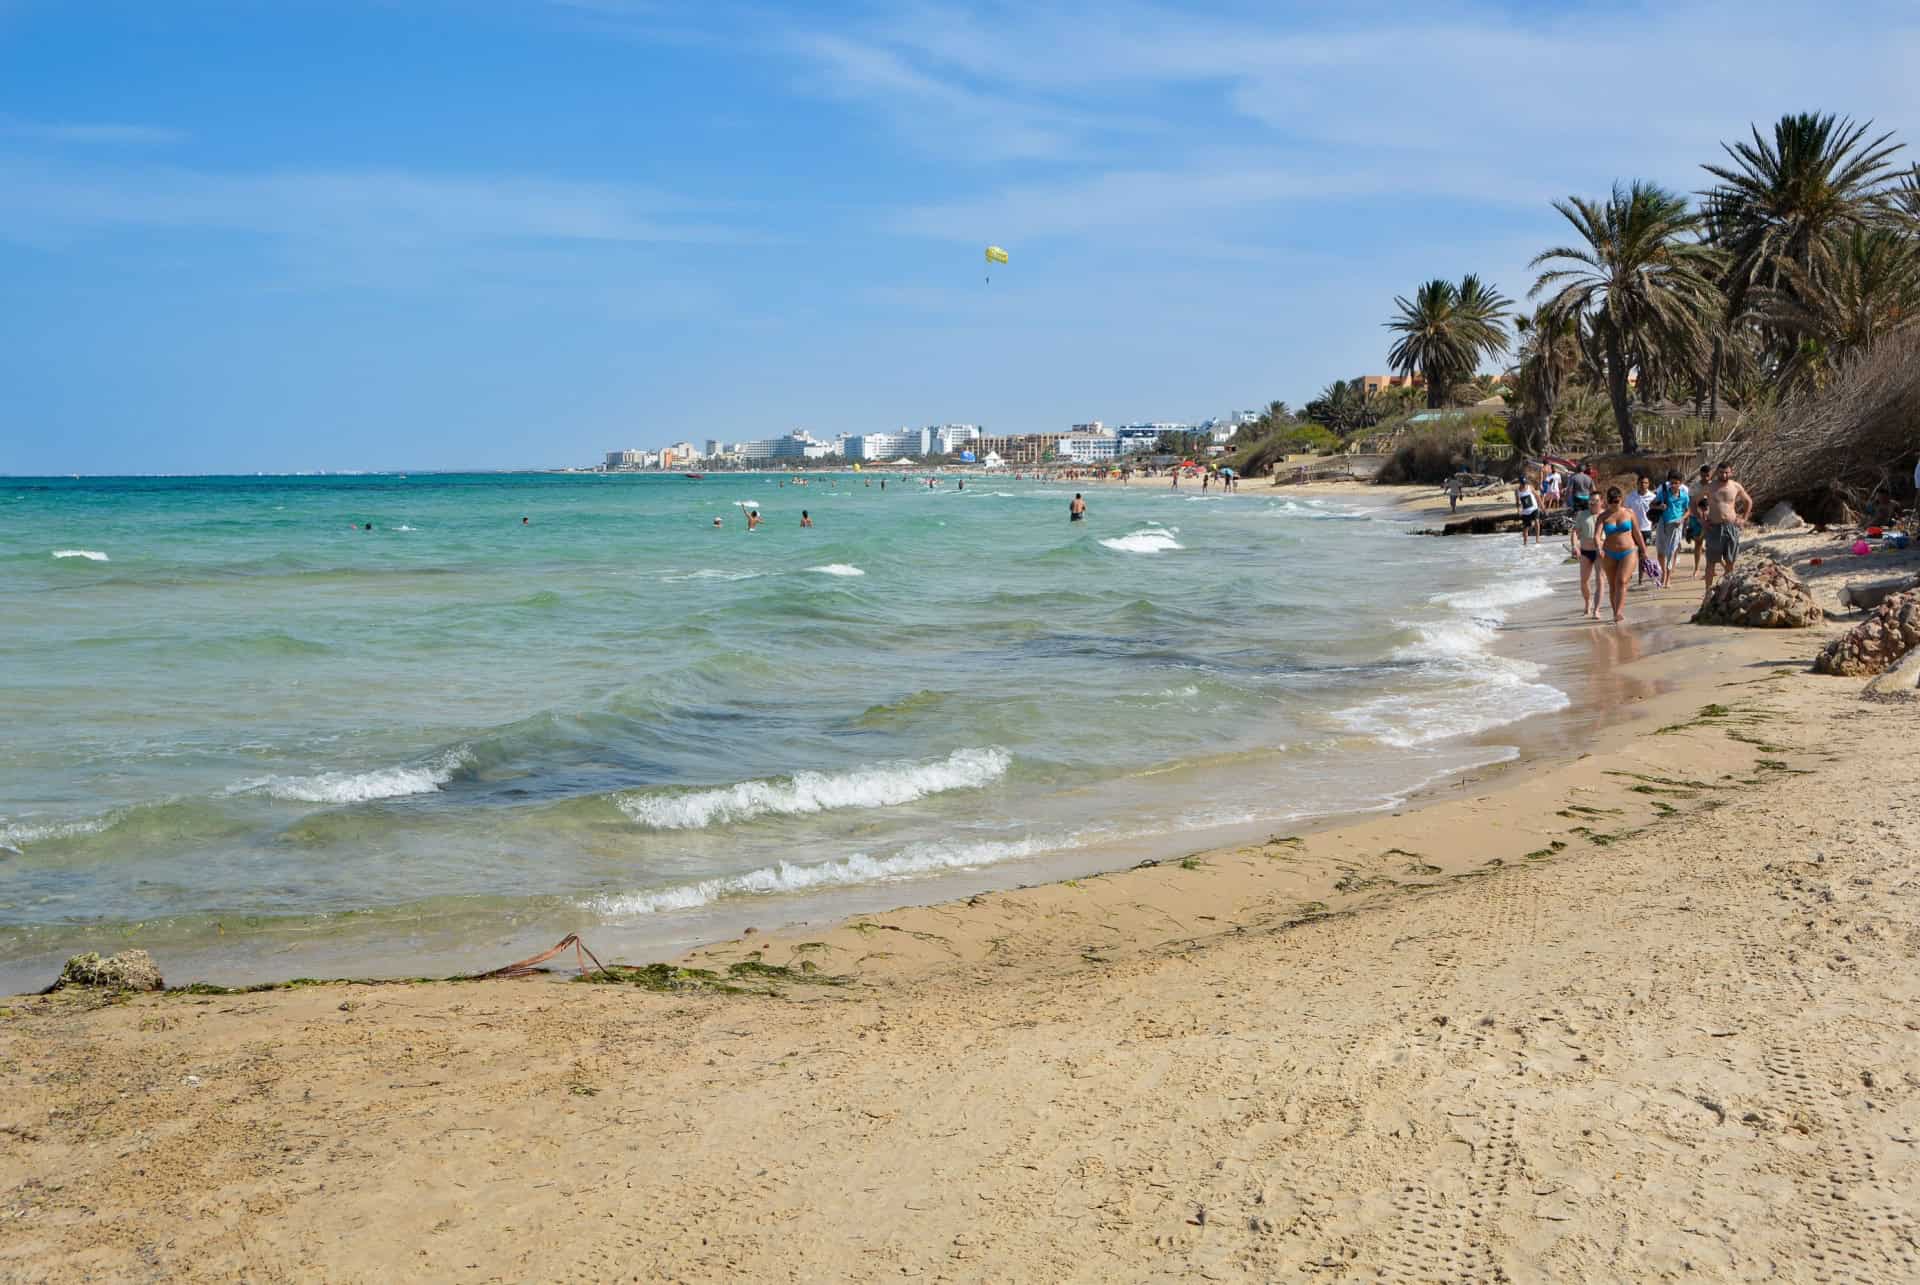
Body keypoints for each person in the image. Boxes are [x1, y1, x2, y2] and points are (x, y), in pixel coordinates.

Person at [1700, 463, 1754, 600]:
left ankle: (1726, 590)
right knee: (1711, 562)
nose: (1724, 475)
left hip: (1731, 527)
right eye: (1721, 472)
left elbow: (1748, 501)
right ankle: (1707, 592)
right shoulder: (1710, 487)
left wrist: (1744, 519)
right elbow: (1694, 502)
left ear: (1731, 472)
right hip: (1714, 527)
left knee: (1730, 562)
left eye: (1727, 472)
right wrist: (1702, 520)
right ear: (1717, 472)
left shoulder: (1735, 486)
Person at [1596, 485, 1645, 623]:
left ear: (1621, 499)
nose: (1614, 504)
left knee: (1622, 581)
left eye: (1616, 501)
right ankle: (1615, 613)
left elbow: (1637, 533)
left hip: (1628, 551)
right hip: (1609, 553)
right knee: (1613, 585)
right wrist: (1599, 547)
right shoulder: (1603, 516)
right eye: (1611, 501)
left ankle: (1618, 612)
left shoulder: (1629, 513)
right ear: (1607, 501)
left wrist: (1644, 550)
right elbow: (1597, 535)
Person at [1651, 469, 1690, 583]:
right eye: (1672, 483)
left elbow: (1688, 510)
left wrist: (1682, 519)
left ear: (1680, 483)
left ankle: (1668, 578)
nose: (1673, 485)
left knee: (1671, 552)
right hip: (1662, 524)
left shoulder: (1684, 496)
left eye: (1676, 483)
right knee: (1660, 552)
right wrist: (1659, 507)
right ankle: (1663, 572)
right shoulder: (1663, 493)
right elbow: (1651, 505)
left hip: (1676, 525)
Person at [1571, 491, 1603, 619]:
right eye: (1590, 501)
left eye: (1595, 501)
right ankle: (1588, 603)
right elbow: (1575, 532)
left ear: (1601, 502)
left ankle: (1597, 609)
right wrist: (1575, 546)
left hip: (1600, 552)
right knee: (1584, 581)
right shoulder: (1582, 515)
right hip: (1585, 551)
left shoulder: (1605, 515)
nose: (1592, 503)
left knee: (1600, 580)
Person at [1624, 474, 1655, 584]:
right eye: (1641, 483)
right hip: (1632, 529)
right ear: (1637, 484)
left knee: (1643, 554)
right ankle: (1629, 573)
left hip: (1646, 529)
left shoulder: (1652, 497)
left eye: (1646, 483)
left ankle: (1640, 579)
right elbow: (1625, 512)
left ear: (1648, 484)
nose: (1643, 485)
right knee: (1631, 553)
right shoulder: (1631, 497)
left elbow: (1656, 512)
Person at [1515, 476, 1542, 545]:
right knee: (1525, 527)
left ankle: (1537, 539)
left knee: (1536, 521)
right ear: (1520, 483)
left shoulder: (1530, 487)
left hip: (1534, 508)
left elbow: (1537, 496)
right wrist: (1518, 510)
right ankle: (1525, 543)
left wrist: (1541, 506)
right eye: (1523, 483)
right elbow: (1517, 502)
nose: (1524, 484)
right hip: (1525, 512)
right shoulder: (1517, 491)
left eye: (1525, 483)